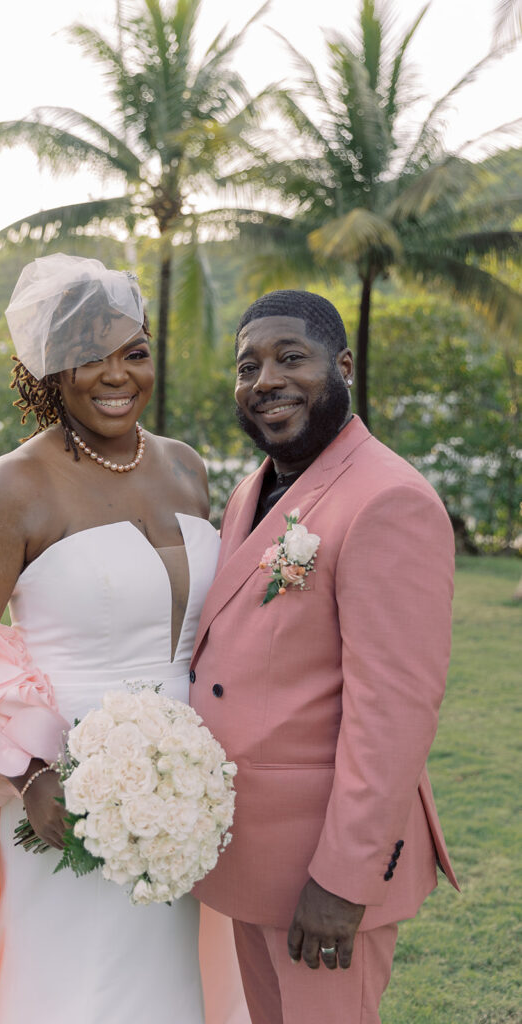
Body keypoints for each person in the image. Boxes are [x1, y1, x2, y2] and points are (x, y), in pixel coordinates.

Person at [0, 254, 248, 1024]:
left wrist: (195, 776)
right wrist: (32, 775)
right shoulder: (12, 490)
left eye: (134, 352)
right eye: (89, 355)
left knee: (165, 983)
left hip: (185, 790)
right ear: (50, 371)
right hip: (63, 788)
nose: (115, 374)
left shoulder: (186, 468)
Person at [189, 289, 459, 1024]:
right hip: (249, 855)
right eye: (247, 366)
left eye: (288, 358)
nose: (264, 381)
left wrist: (344, 881)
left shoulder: (387, 500)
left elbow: (393, 713)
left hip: (323, 873)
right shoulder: (256, 487)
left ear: (341, 366)